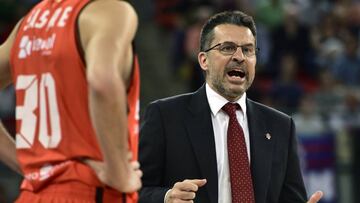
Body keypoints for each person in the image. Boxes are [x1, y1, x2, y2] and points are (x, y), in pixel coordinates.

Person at [139, 10, 323, 203]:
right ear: (204, 60)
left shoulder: (281, 126)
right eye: (227, 48)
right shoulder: (165, 116)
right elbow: (135, 192)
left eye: (248, 49)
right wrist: (166, 197)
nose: (239, 56)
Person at [0, 0, 142, 202]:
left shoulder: (28, 23)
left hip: (32, 194)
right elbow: (102, 81)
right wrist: (119, 172)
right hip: (91, 190)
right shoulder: (111, 11)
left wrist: (30, 166)